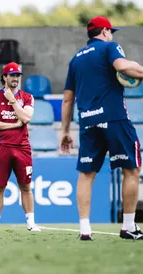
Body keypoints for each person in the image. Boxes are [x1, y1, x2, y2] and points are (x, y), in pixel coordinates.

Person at [61, 16, 143, 240]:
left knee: (86, 175)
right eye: (111, 31)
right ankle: (128, 227)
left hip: (87, 121)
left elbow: (67, 99)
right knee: (132, 169)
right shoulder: (110, 47)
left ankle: (85, 229)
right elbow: (123, 66)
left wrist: (65, 131)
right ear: (105, 31)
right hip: (114, 117)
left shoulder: (75, 59)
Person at [0, 62, 41, 232]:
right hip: (1, 146)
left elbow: (26, 118)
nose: (15, 78)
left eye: (17, 75)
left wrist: (13, 101)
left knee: (26, 186)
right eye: (12, 75)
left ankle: (31, 223)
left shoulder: (27, 97)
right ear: (4, 77)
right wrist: (12, 125)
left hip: (22, 147)